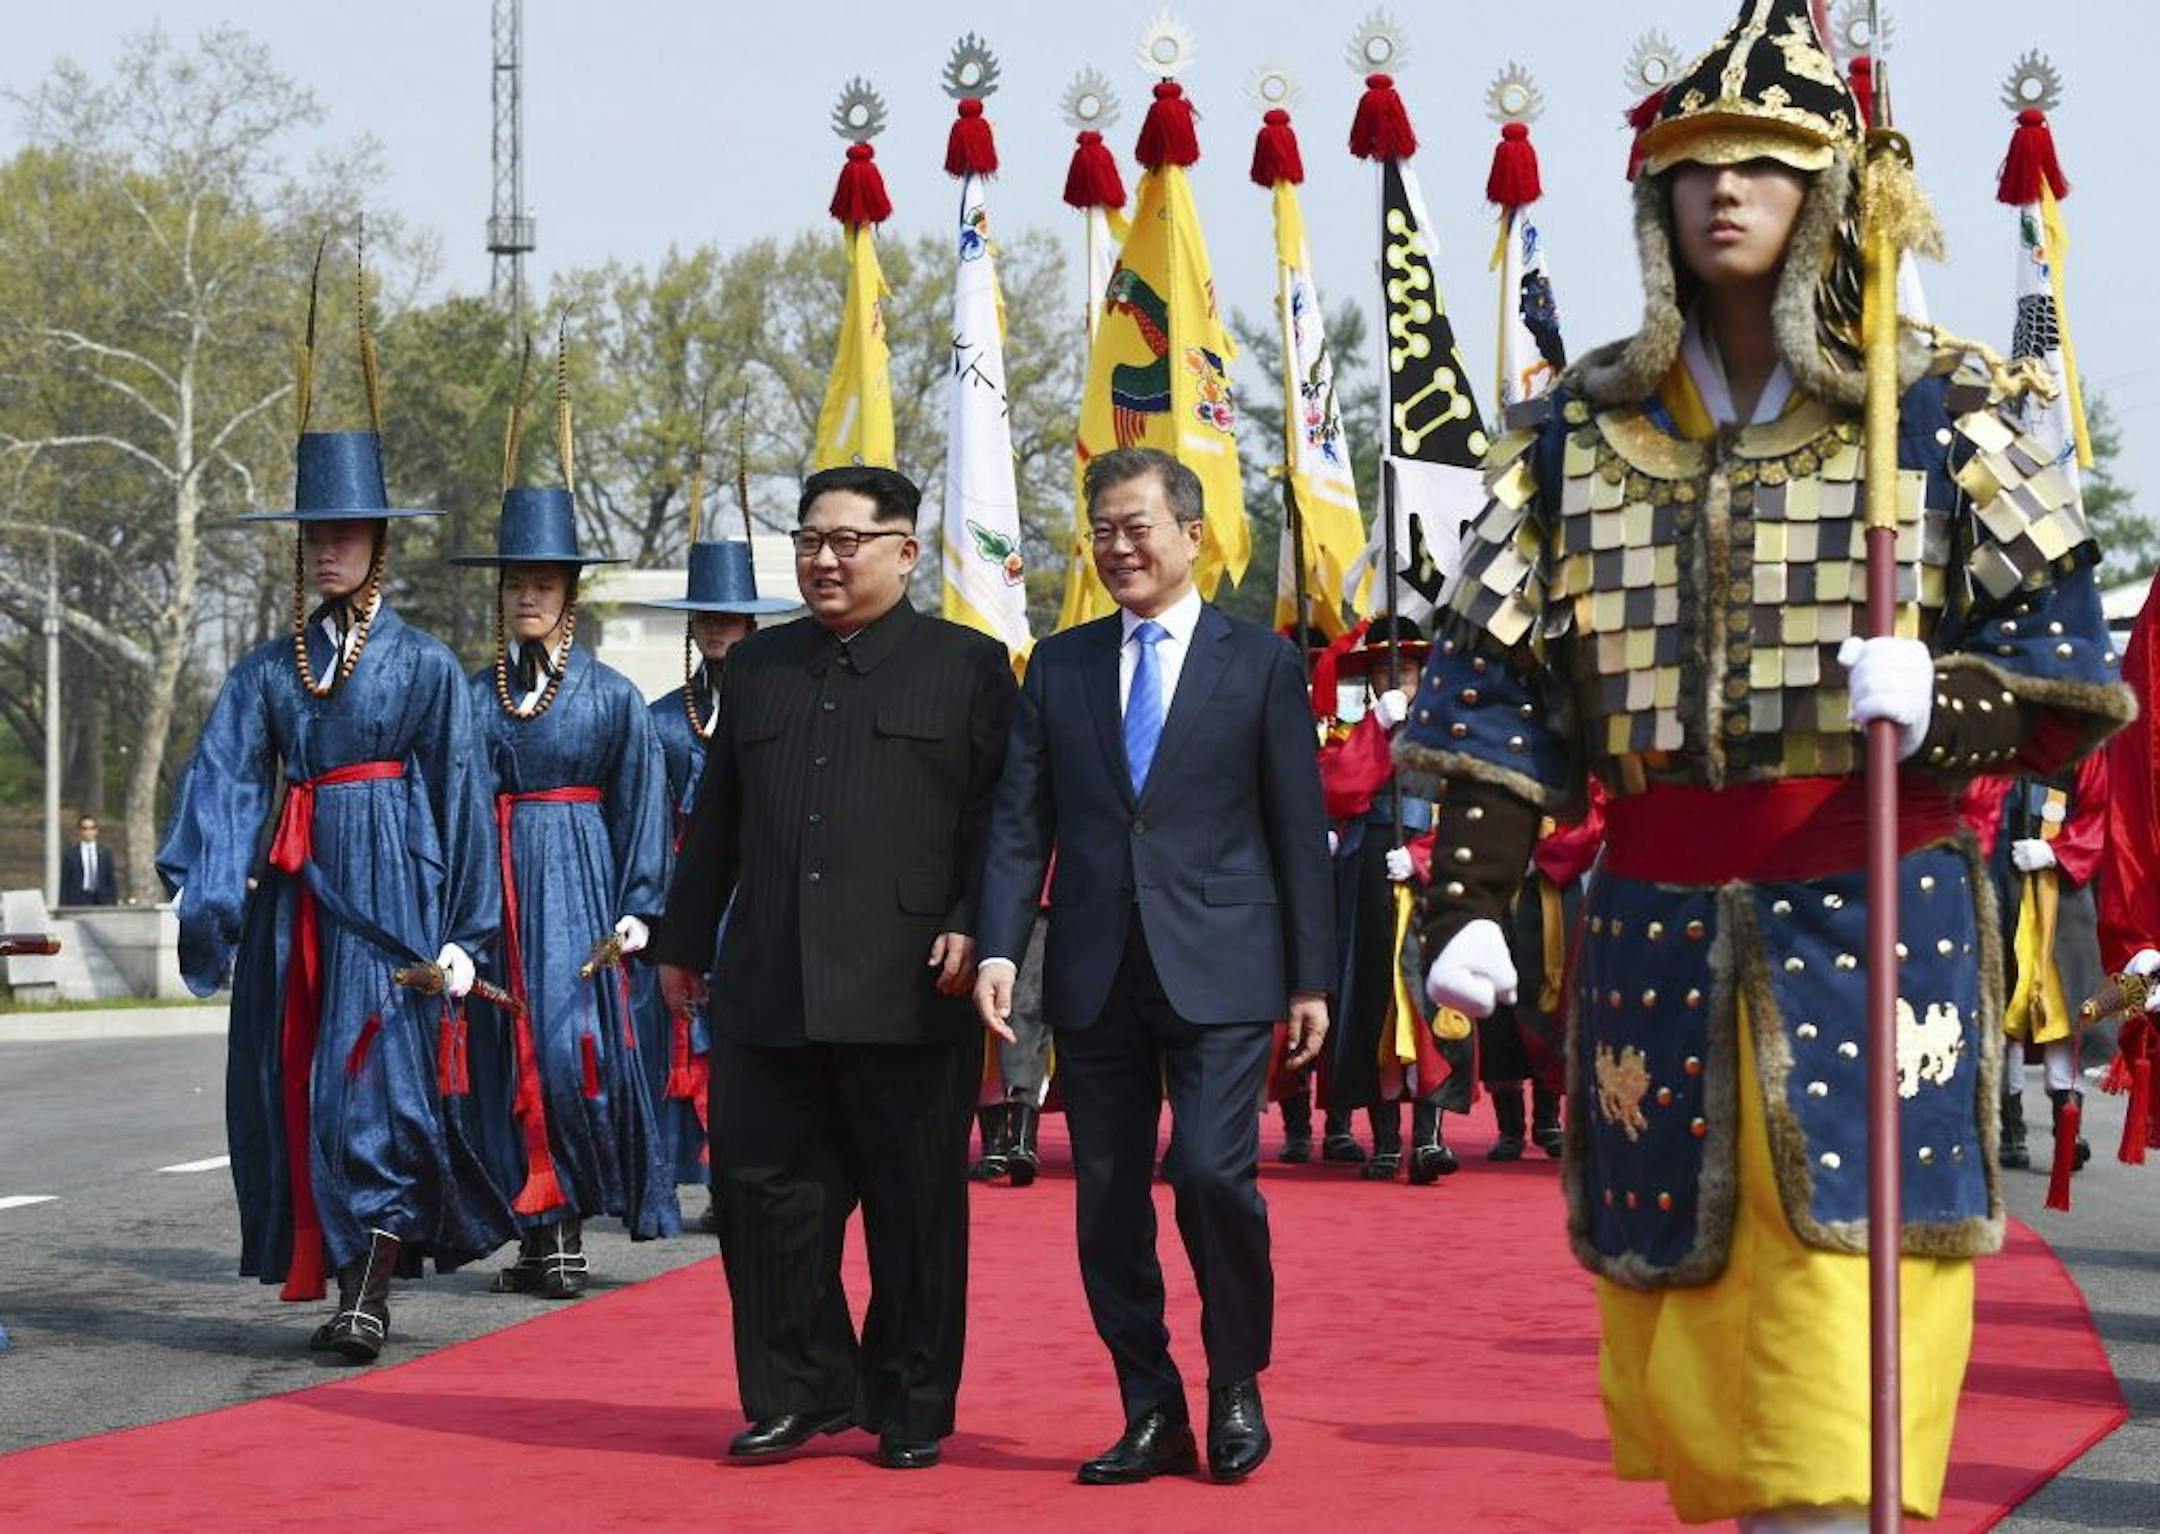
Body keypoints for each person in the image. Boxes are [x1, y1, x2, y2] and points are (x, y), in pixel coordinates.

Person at [1394, 2, 2131, 1523]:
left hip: (1870, 920)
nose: (1723, 192)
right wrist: (1462, 898)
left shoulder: (1933, 408)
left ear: (1827, 196)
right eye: (1695, 167)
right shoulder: (1569, 438)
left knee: (1835, 1371)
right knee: (1696, 1381)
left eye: (1764, 166)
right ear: (1656, 200)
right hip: (1656, 931)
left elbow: (2076, 674)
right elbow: (1497, 692)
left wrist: (1954, 698)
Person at [974, 446, 1334, 1485]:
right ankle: (1149, 1404)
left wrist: (1311, 978)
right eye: (1103, 530)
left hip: (1224, 966)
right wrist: (1002, 945)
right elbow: (1017, 822)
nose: (1120, 546)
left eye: (1139, 526)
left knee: (1214, 1175)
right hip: (1093, 971)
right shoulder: (1062, 662)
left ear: (1191, 531)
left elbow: (1296, 827)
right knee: (1106, 1199)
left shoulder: (1258, 661)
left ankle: (1234, 1386)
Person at [157, 307, 510, 1362]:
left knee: (377, 1087)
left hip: (392, 893)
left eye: (345, 535)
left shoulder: (429, 667)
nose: (327, 552)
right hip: (294, 900)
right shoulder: (269, 671)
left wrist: (466, 935)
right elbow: (221, 777)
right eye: (314, 536)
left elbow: (461, 793)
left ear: (379, 544)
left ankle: (369, 1292)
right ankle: (333, 1266)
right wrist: (211, 897)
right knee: (298, 1081)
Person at [652, 464, 1016, 1472]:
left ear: (904, 549)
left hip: (911, 986)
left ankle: (908, 1402)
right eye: (809, 539)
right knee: (763, 1199)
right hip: (769, 978)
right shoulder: (762, 666)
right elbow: (716, 818)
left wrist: (972, 924)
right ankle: (798, 1390)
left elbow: (1001, 821)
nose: (823, 558)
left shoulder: (968, 665)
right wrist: (683, 941)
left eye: (846, 540)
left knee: (914, 1209)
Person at [452, 399, 680, 1299]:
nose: (529, 595)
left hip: (581, 890)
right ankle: (532, 1233)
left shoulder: (614, 697)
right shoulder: (470, 698)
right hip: (494, 884)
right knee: (503, 1055)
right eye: (515, 582)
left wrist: (639, 906)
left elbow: (643, 805)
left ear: (570, 591)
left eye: (544, 581)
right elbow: (452, 805)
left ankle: (571, 1219)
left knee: (570, 1051)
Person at [638, 536, 794, 1231]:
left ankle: (757, 1177)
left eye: (730, 616)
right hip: (690, 887)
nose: (718, 628)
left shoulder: (782, 703)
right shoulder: (662, 719)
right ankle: (681, 1181)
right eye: (706, 616)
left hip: (762, 890)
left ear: (752, 624)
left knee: (758, 1040)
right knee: (681, 1041)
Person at [1315, 617, 1474, 1184]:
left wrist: (1427, 856)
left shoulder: (1450, 736)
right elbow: (1338, 791)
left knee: (1429, 999)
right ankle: (1384, 1140)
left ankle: (1429, 1139)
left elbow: (1471, 816)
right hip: (1366, 876)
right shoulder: (1348, 737)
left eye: (1402, 671)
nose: (1392, 682)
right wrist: (1373, 734)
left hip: (1427, 875)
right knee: (1373, 1000)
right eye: (1382, 672)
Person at [1961, 759, 2107, 1182]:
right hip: (1999, 875)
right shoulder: (2000, 733)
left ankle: (2068, 1124)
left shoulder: (2083, 742)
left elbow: (2101, 810)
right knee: (2004, 997)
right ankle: (2010, 1123)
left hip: (2060, 885)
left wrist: (2057, 851)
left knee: (2065, 1002)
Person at [61, 815, 118, 907]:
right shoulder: (71, 853)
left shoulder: (105, 852)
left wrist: (114, 902)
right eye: (85, 829)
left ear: (96, 831)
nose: (89, 832)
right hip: (77, 899)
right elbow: (65, 882)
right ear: (79, 831)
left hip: (101, 899)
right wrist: (63, 905)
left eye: (92, 828)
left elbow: (111, 879)